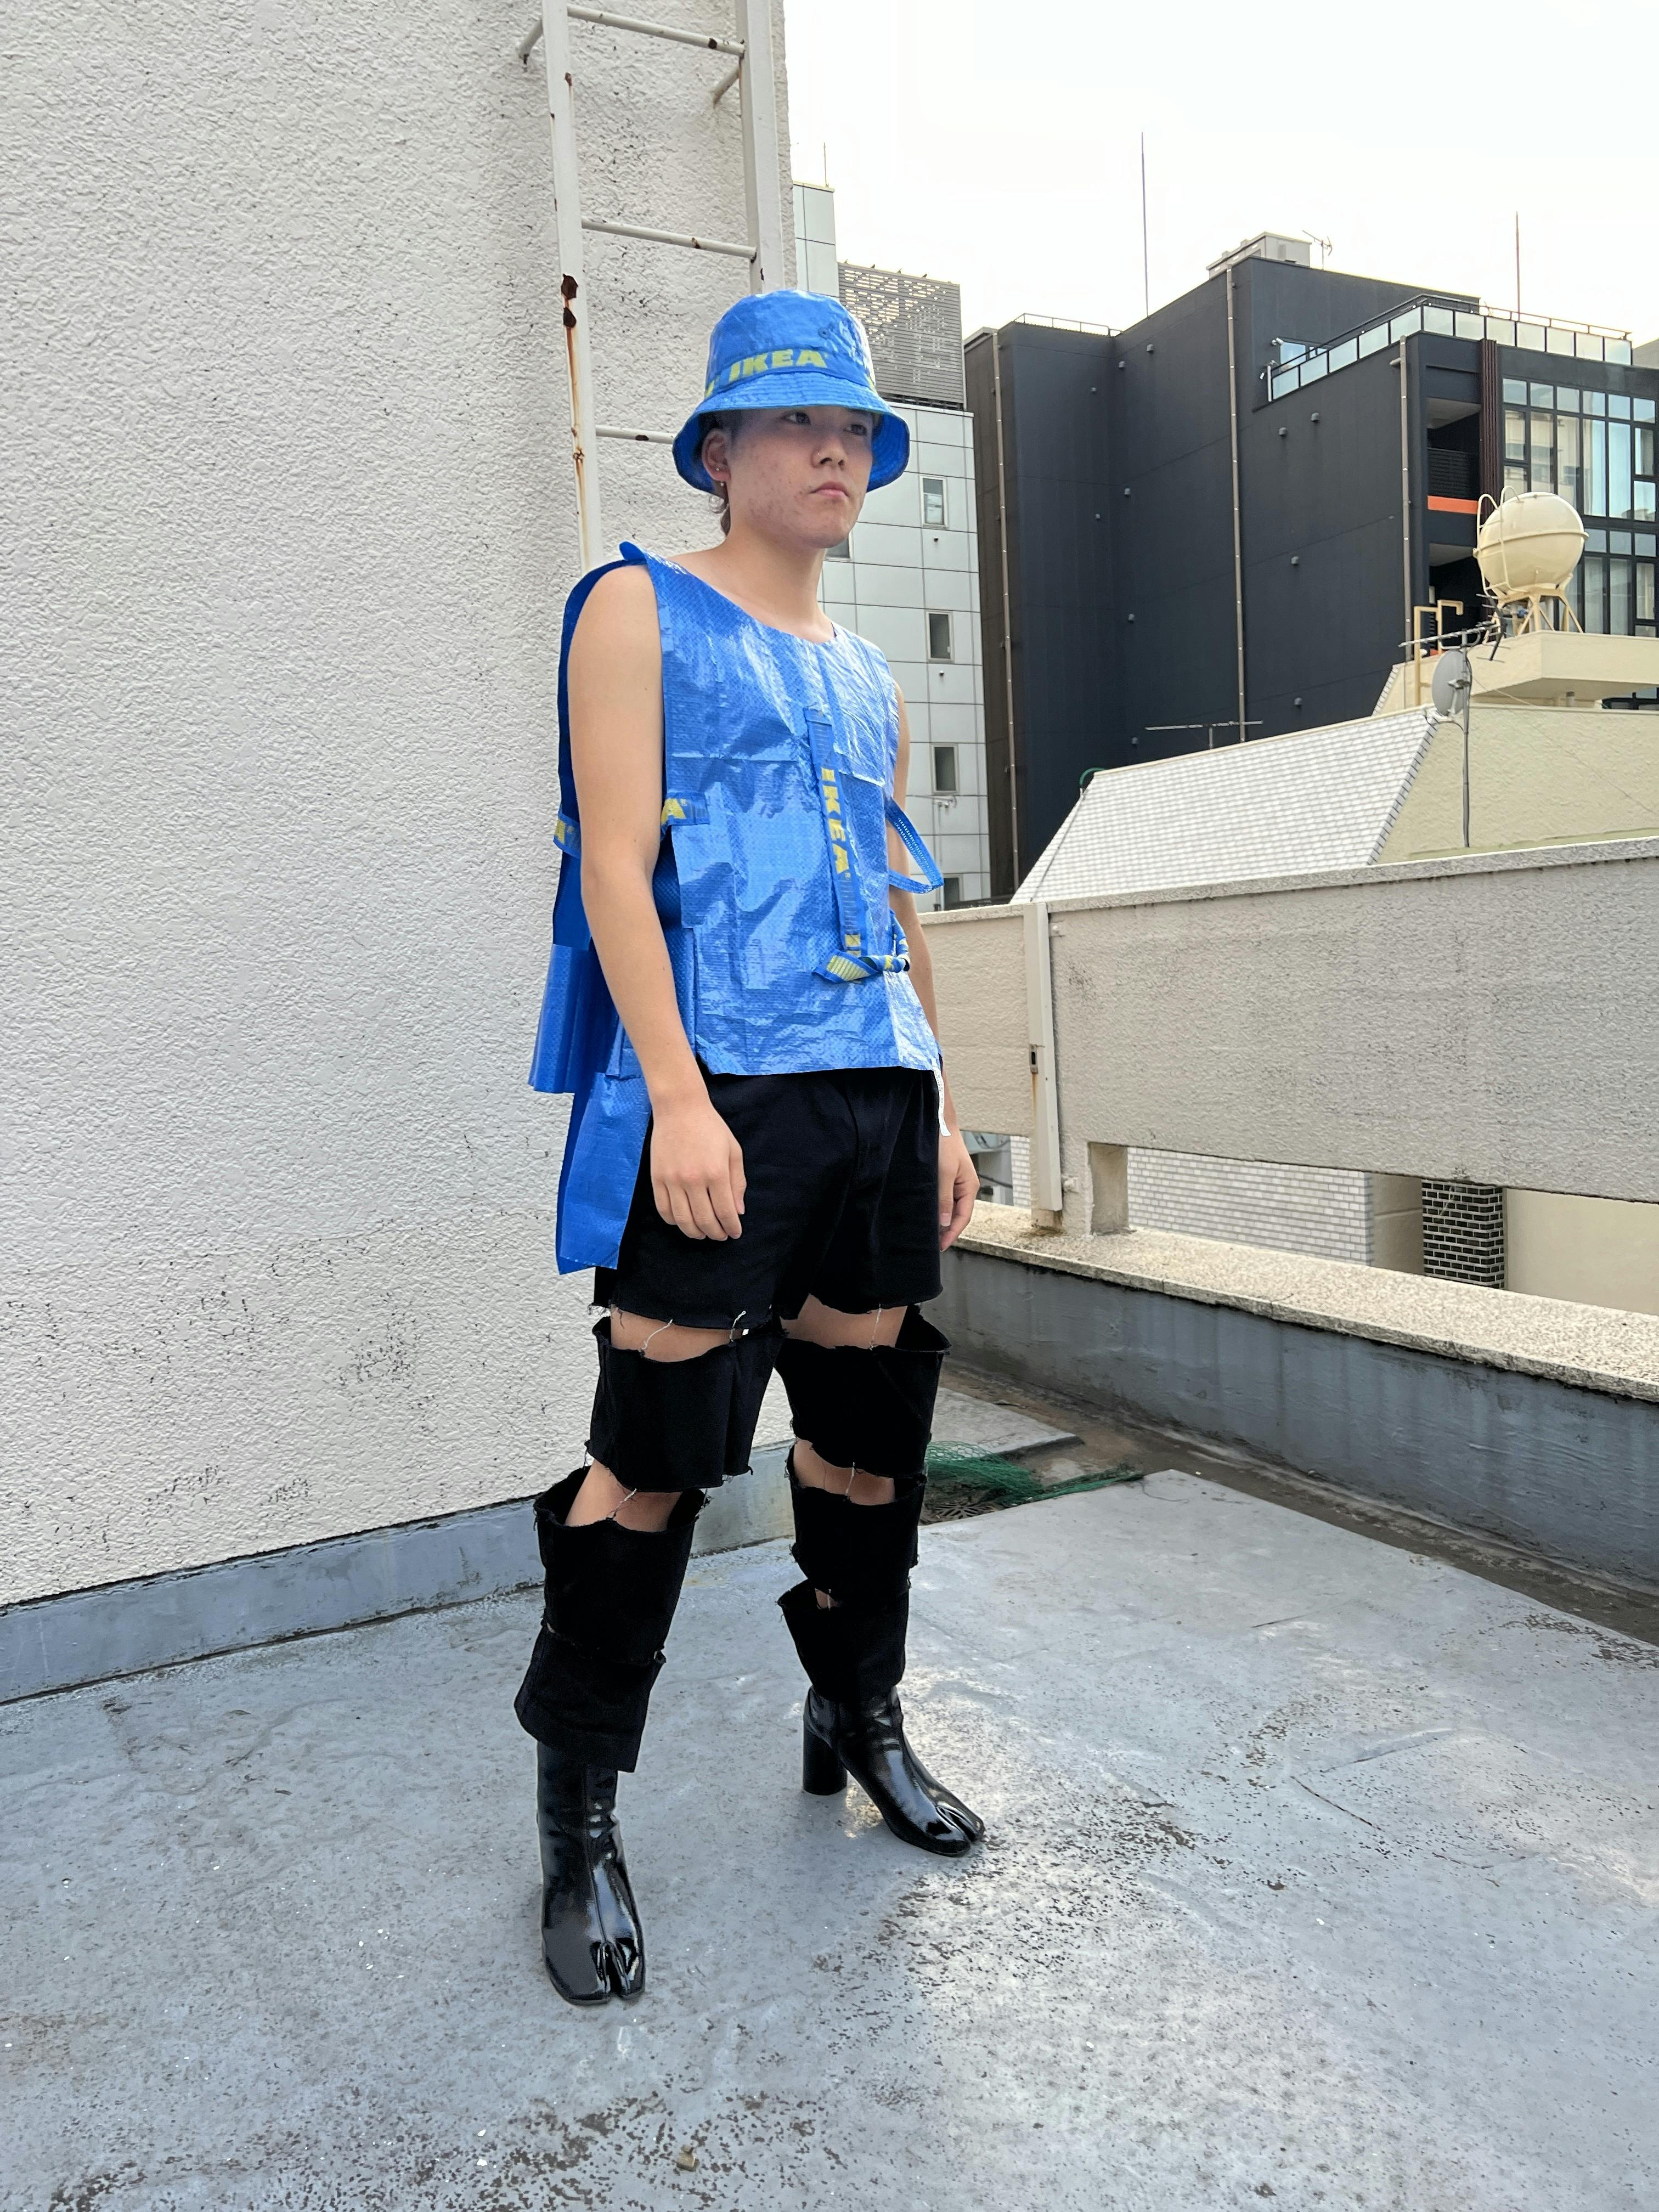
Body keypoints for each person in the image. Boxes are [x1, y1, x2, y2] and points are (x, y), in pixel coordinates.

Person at [516, 289, 983, 2010]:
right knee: (653, 1452)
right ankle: (577, 1818)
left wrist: (945, 1104)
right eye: (799, 423)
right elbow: (611, 868)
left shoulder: (864, 672)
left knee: (866, 1440)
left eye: (855, 428)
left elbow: (898, 890)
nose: (833, 451)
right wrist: (680, 1097)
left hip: (877, 1093)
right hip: (724, 1088)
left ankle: (858, 1715)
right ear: (722, 449)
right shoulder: (636, 606)